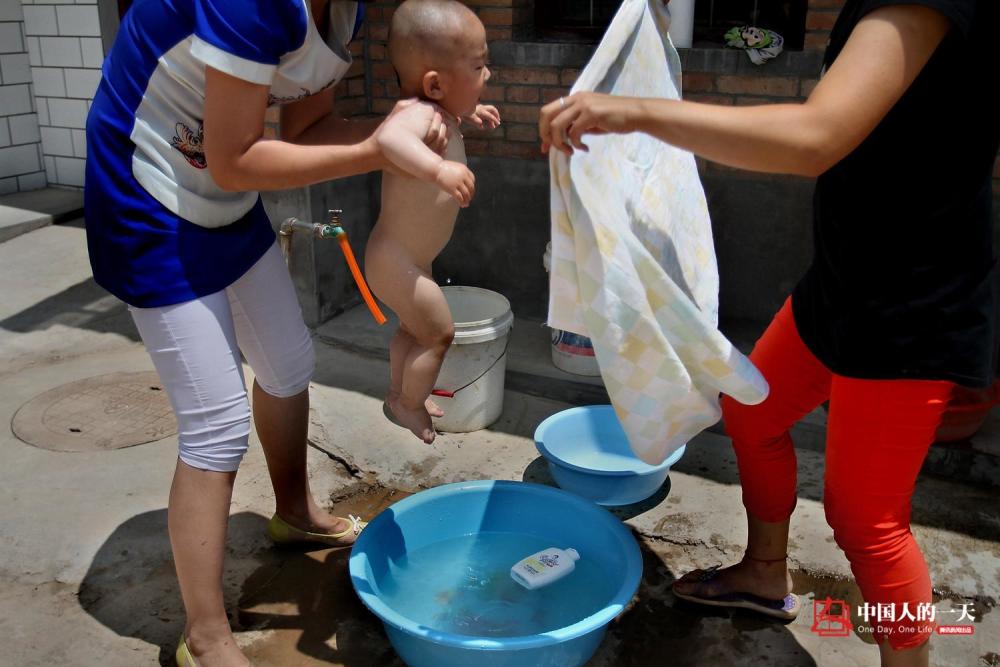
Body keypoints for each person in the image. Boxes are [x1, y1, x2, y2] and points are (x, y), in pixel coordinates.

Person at [539, 1, 997, 665]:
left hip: (911, 310)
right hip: (843, 280)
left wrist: (630, 111)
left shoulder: (921, 3)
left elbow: (815, 136)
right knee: (754, 411)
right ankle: (763, 572)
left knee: (867, 520)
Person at [83, 1, 450, 665]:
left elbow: (309, 132)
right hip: (145, 189)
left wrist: (406, 132)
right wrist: (376, 149)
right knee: (215, 424)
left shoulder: (344, 11)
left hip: (219, 187)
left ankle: (293, 512)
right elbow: (235, 160)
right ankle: (206, 634)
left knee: (286, 361)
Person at [365, 0, 500, 444]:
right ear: (435, 85)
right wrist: (439, 170)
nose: (489, 75)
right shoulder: (414, 114)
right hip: (397, 261)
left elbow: (438, 121)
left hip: (403, 260)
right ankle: (410, 403)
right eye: (479, 67)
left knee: (412, 330)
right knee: (439, 334)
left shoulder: (438, 112)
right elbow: (389, 137)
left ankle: (397, 392)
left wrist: (467, 113)